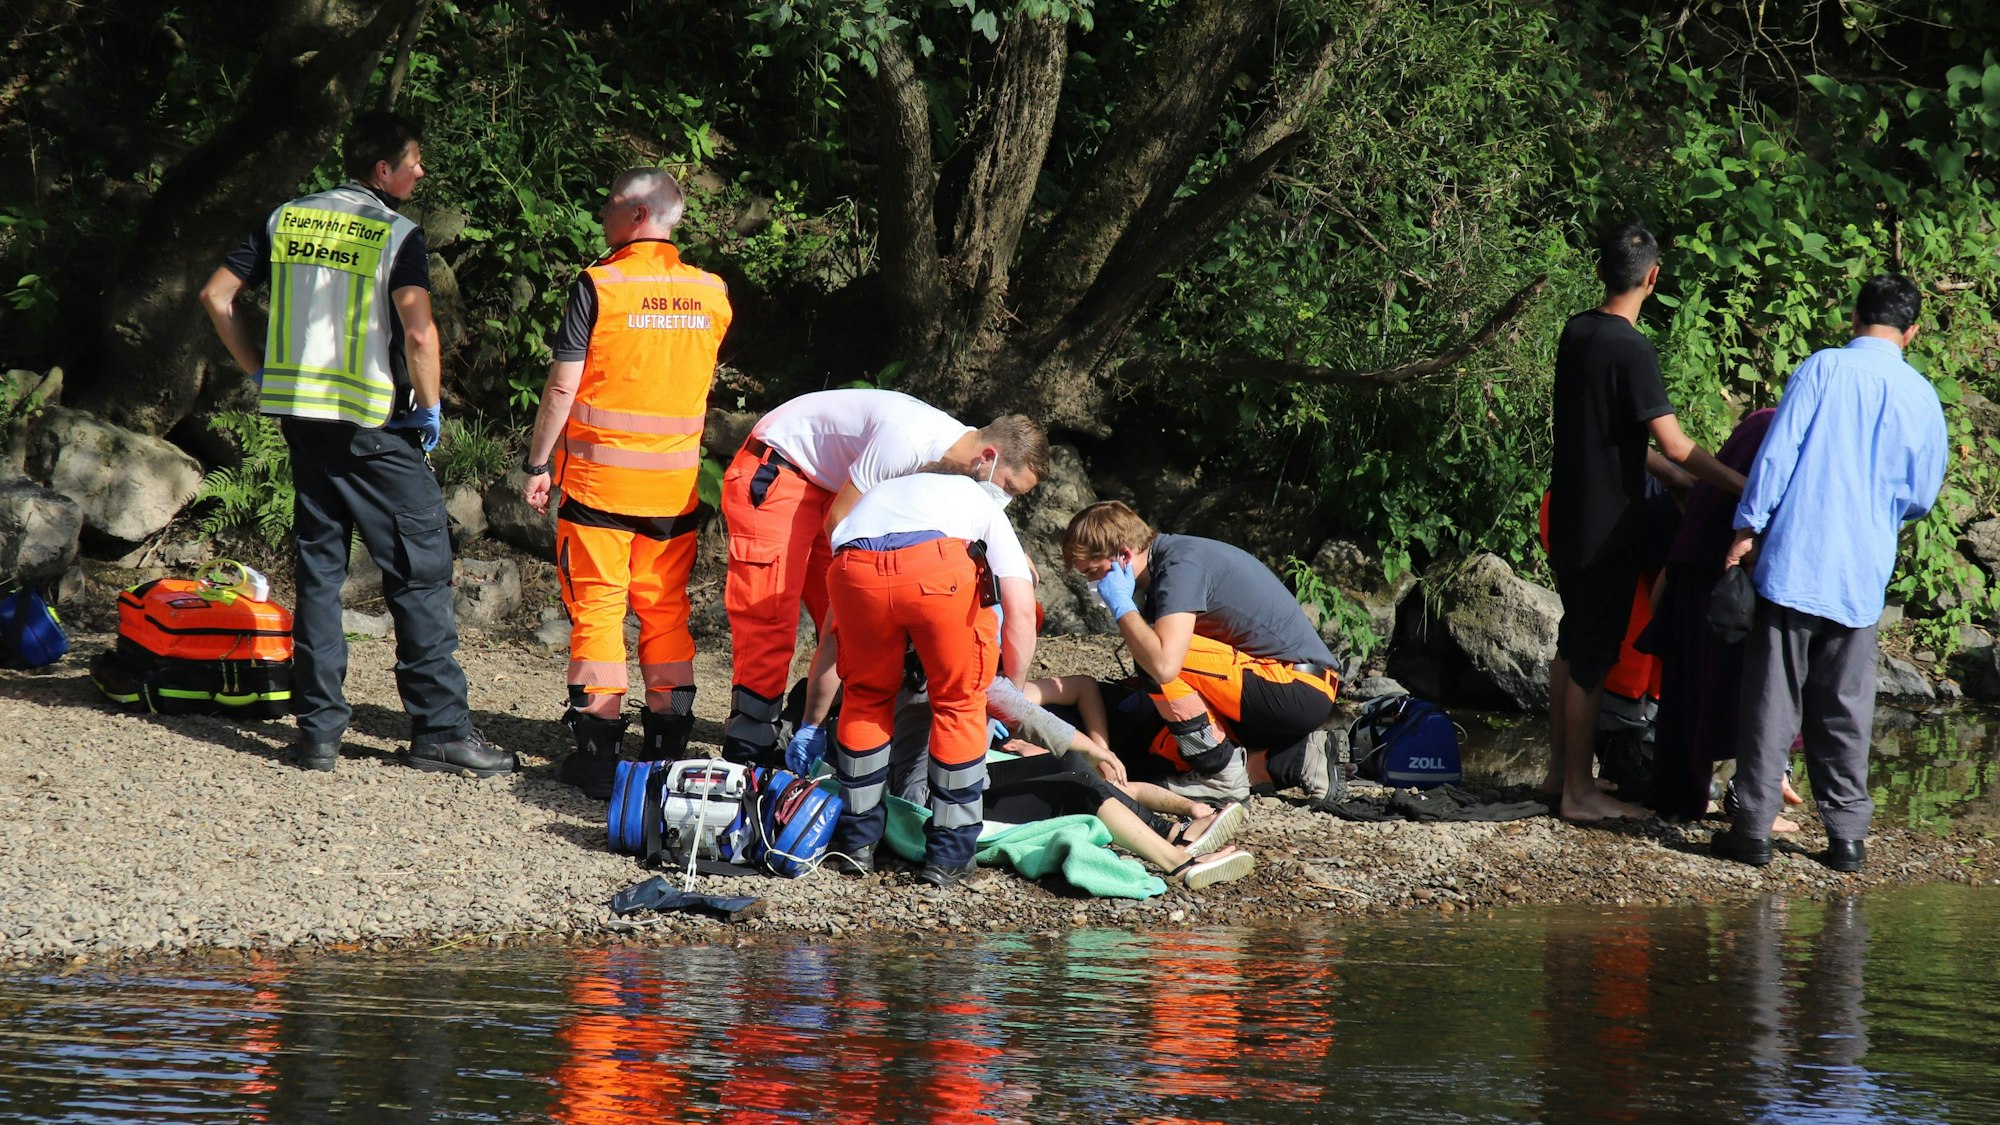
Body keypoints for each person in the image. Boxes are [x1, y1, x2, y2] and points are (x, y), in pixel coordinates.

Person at [200, 111, 512, 777]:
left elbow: (217, 295)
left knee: (319, 574)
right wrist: (430, 406)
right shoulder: (395, 233)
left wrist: (259, 371)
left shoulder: (287, 218)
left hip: (305, 425)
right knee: (421, 570)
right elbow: (419, 332)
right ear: (382, 170)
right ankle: (441, 731)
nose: (421, 171)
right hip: (375, 429)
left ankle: (318, 734)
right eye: (414, 160)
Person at [1712, 275, 1947, 873]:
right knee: (1846, 706)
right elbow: (1921, 497)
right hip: (1860, 571)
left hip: (1796, 558)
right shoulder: (1922, 396)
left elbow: (1778, 456)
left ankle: (1754, 831)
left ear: (1854, 316)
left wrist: (1747, 527)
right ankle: (1846, 837)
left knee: (1773, 699)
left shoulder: (1823, 368)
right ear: (1912, 332)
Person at [519, 168, 732, 798]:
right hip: (674, 491)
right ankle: (666, 751)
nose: (602, 216)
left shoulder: (601, 285)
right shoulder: (712, 292)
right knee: (665, 612)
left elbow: (563, 385)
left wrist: (537, 464)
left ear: (638, 214)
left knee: (599, 612)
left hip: (599, 489)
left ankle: (598, 757)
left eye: (610, 204)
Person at [719, 388, 1048, 766]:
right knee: (773, 611)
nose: (1005, 498)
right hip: (781, 468)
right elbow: (839, 523)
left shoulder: (958, 459)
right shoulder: (906, 442)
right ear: (988, 457)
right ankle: (750, 746)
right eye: (1008, 487)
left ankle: (836, 729)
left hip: (833, 488)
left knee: (852, 627)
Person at [1544, 221, 1743, 821]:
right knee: (1593, 657)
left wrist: (1675, 480)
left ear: (1600, 271)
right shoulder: (1633, 349)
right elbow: (1675, 444)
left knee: (1571, 643)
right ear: (1653, 277)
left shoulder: (1577, 331)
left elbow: (1613, 436)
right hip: (1608, 526)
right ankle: (1579, 793)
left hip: (1567, 514)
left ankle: (1558, 777)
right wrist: (1744, 485)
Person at [819, 470, 1037, 887]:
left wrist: (811, 723)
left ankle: (856, 845)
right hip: (937, 573)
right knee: (960, 703)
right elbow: (1022, 609)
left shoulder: (887, 490)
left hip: (852, 568)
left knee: (864, 698)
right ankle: (949, 856)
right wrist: (1012, 689)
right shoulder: (978, 499)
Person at [1060, 501, 1342, 804]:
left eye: (1093, 572)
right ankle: (1299, 756)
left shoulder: (1180, 566)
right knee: (1157, 721)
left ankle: (1221, 775)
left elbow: (1164, 665)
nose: (1092, 583)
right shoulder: (1169, 563)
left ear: (1124, 556)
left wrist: (1121, 605)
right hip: (1286, 689)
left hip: (1296, 687)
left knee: (1155, 659)